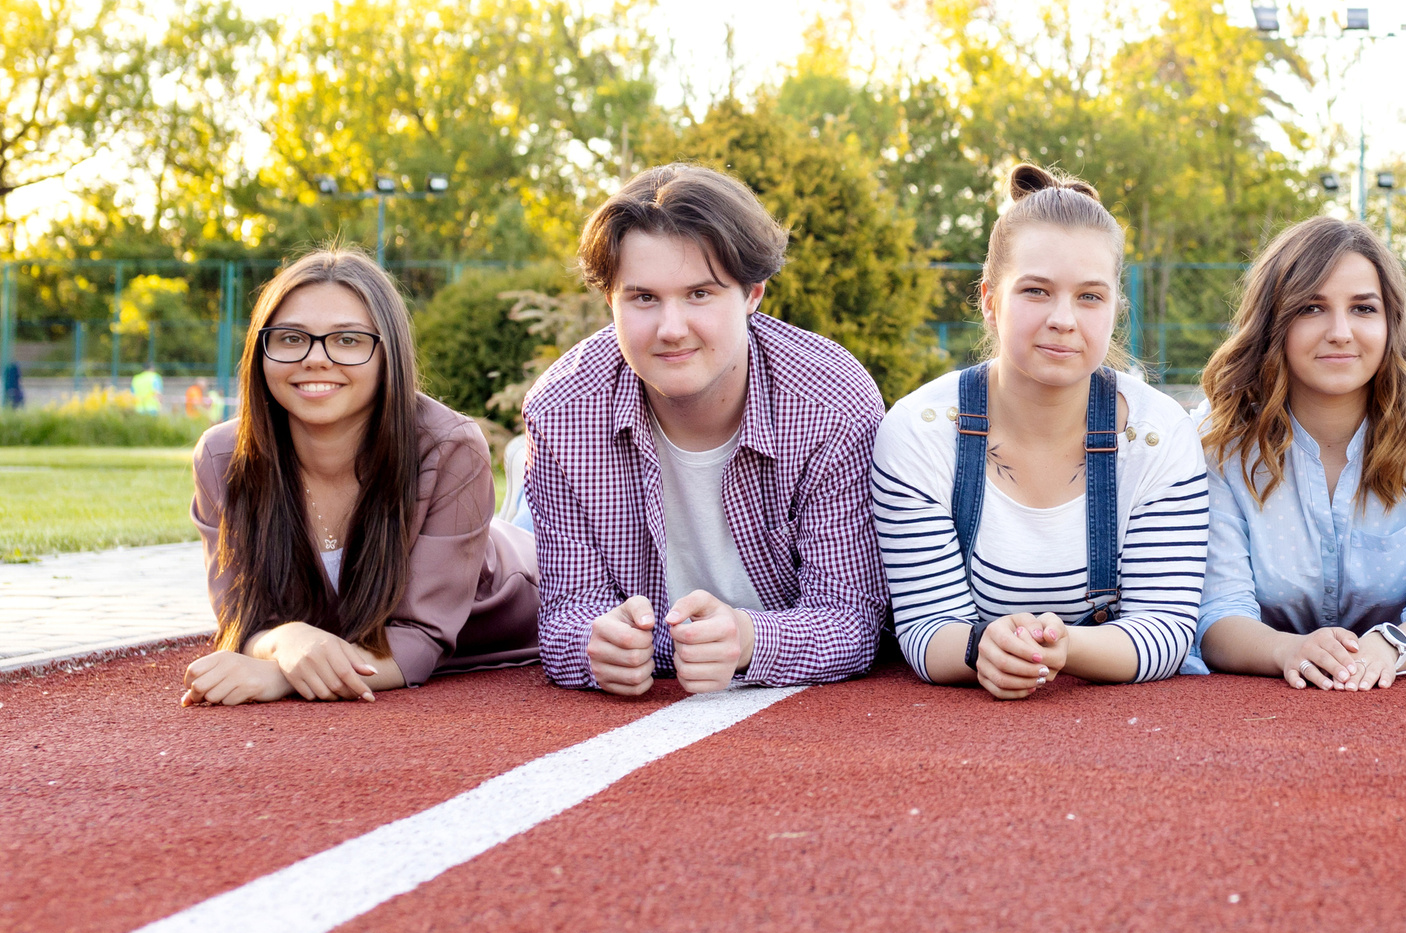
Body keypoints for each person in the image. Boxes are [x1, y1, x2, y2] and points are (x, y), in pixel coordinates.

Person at [524, 164, 890, 695]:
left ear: (752, 295)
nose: (672, 330)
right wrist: (592, 644)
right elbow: (564, 617)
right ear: (611, 301)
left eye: (700, 294)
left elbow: (855, 617)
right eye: (643, 298)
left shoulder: (830, 401)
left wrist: (748, 638)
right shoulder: (561, 409)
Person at [870, 164, 1208, 698]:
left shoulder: (1159, 435)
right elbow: (925, 629)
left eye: (1090, 297)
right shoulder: (918, 433)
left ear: (1116, 309)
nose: (1063, 319)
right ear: (989, 299)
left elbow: (1165, 630)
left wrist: (1062, 647)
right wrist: (981, 647)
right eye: (1036, 291)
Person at [182, 250, 538, 705]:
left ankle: (534, 472)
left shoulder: (450, 445)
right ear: (261, 349)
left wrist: (283, 678)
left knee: (534, 526)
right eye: (291, 338)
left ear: (387, 352)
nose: (315, 359)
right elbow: (242, 621)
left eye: (348, 340)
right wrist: (285, 640)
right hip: (441, 565)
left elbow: (418, 642)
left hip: (519, 577)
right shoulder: (222, 457)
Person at [1188, 216, 1406, 688]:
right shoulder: (1218, 436)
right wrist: (1288, 650)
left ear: (1390, 321)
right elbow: (1217, 612)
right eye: (1311, 308)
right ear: (1274, 321)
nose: (1341, 332)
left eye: (1364, 308)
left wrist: (1389, 646)